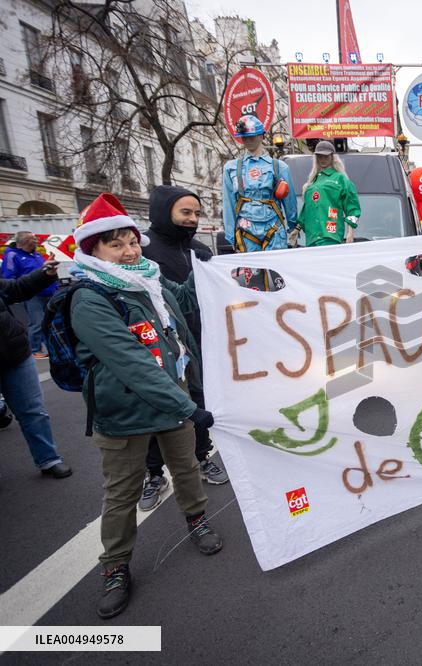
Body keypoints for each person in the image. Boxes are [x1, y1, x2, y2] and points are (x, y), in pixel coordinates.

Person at [69, 192, 223, 619]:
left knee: (188, 466)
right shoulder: (89, 296)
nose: (129, 251)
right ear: (93, 250)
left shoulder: (148, 279)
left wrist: (208, 270)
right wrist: (191, 406)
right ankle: (116, 566)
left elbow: (186, 302)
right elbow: (131, 362)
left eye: (132, 241)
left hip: (172, 402)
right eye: (115, 245)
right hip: (125, 413)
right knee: (121, 493)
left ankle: (197, 520)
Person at [137, 186, 229, 511]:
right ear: (165, 212)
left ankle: (202, 457)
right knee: (156, 407)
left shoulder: (201, 251)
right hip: (155, 345)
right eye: (185, 213)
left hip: (198, 340)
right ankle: (153, 474)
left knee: (198, 401)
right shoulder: (142, 252)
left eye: (196, 213)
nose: (192, 220)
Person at [0, 258, 72, 478]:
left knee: (33, 411)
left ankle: (49, 459)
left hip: (15, 354)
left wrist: (45, 274)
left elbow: (16, 289)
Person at [222, 115, 297, 265]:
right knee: (252, 278)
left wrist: (293, 228)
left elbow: (290, 201)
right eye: (244, 137)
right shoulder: (230, 168)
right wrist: (230, 236)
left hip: (273, 227)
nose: (247, 140)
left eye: (252, 136)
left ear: (261, 135)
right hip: (245, 229)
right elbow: (228, 203)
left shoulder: (279, 167)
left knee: (278, 274)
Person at [2, 231, 58, 359]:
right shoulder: (12, 255)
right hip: (33, 295)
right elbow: (8, 277)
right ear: (23, 242)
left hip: (48, 293)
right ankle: (35, 349)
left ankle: (50, 347)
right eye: (33, 239)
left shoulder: (37, 255)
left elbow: (44, 272)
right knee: (37, 323)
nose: (36, 241)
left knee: (49, 323)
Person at [299, 141, 362, 247]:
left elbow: (352, 205)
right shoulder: (311, 183)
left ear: (333, 157)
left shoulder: (340, 179)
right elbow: (306, 210)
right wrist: (296, 230)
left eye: (326, 157)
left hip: (330, 235)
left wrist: (350, 231)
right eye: (320, 156)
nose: (323, 159)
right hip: (312, 238)